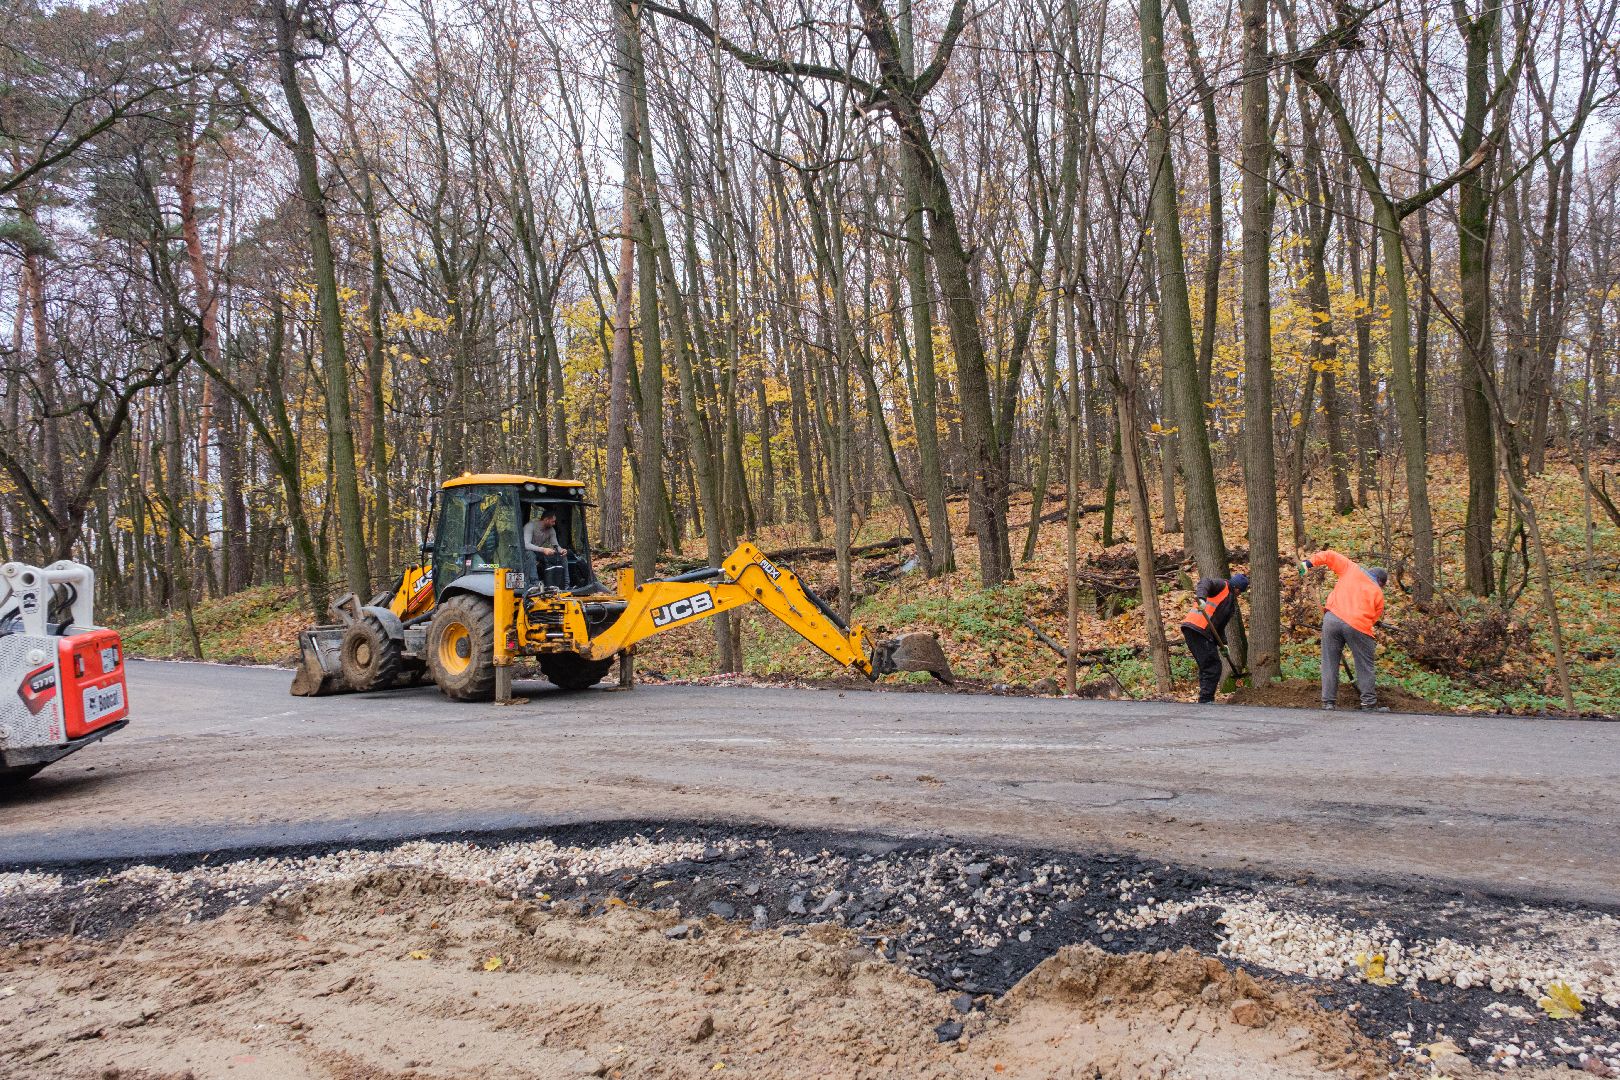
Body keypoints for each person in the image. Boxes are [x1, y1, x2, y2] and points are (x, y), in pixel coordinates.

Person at [1300, 550, 1388, 711]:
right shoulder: (1378, 593)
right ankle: (1368, 703)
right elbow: (1374, 618)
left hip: (1332, 619)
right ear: (1381, 582)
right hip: (1358, 625)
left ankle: (1328, 702)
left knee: (1329, 661)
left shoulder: (1352, 569)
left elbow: (1329, 555)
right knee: (1364, 664)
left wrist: (1308, 563)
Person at [1179, 572, 1249, 704]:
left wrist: (1223, 644)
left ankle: (1204, 698)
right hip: (1197, 628)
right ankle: (1206, 700)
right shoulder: (1222, 585)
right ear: (1238, 589)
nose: (1239, 594)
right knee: (1213, 665)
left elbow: (1219, 626)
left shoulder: (1229, 601)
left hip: (1201, 631)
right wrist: (1201, 599)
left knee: (1207, 665)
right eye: (1240, 591)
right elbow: (1205, 582)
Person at [524, 508, 568, 589]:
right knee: (530, 554)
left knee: (562, 556)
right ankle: (535, 584)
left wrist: (561, 550)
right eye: (553, 521)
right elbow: (526, 545)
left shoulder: (551, 530)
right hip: (523, 553)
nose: (554, 523)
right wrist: (544, 550)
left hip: (538, 552)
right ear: (546, 520)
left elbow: (556, 545)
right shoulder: (530, 526)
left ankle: (566, 585)